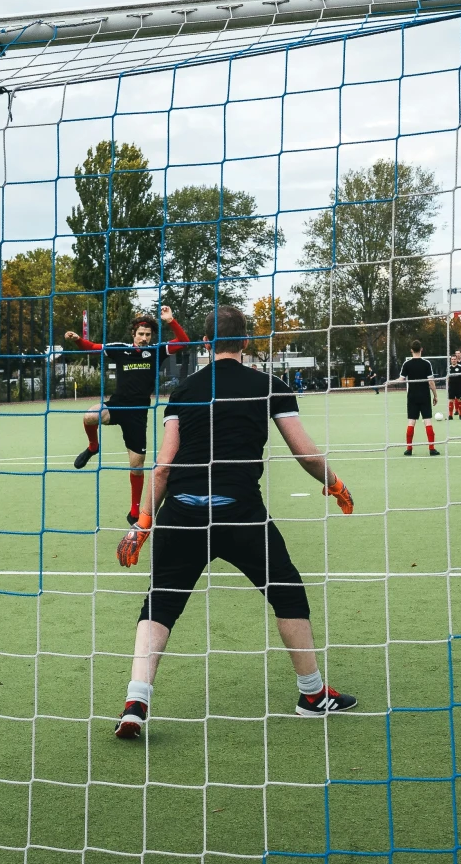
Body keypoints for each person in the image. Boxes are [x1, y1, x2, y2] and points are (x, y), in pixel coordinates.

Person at [112, 304, 357, 739]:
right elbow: (304, 453)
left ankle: (136, 701)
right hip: (239, 513)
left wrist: (141, 525)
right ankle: (313, 694)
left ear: (205, 343)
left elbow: (163, 468)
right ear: (245, 342)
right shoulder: (269, 386)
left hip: (182, 514)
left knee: (160, 604)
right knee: (288, 592)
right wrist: (335, 485)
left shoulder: (183, 390)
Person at [65, 304, 193, 528]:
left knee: (136, 466)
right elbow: (92, 347)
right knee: (89, 417)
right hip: (117, 406)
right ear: (133, 334)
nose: (144, 338)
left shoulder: (156, 351)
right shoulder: (119, 349)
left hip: (137, 415)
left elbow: (184, 342)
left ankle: (135, 511)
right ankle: (93, 447)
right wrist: (76, 339)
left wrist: (170, 321)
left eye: (148, 334)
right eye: (141, 334)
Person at [397, 340, 438, 456]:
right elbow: (431, 382)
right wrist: (435, 395)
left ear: (411, 350)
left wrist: (389, 382)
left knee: (411, 422)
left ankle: (409, 449)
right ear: (421, 349)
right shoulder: (426, 364)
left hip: (412, 396)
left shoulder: (407, 364)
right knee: (428, 421)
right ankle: (432, 449)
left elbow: (401, 379)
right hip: (424, 395)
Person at [445, 354, 461, 420]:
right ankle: (450, 415)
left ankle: (460, 415)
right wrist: (447, 386)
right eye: (452, 359)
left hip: (459, 386)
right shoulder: (449, 368)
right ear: (451, 360)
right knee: (451, 400)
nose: (453, 360)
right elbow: (447, 378)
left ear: (457, 360)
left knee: (459, 400)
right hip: (451, 386)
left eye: (454, 359)